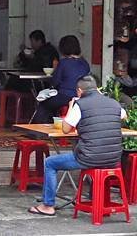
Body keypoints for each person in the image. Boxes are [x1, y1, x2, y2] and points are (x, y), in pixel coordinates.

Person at [28, 75, 125, 216]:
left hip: (89, 157)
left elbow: (66, 129)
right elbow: (123, 117)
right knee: (89, 155)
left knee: (50, 163)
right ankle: (98, 202)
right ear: (97, 88)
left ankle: (48, 206)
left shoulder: (81, 105)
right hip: (114, 159)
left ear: (79, 91)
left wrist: (71, 106)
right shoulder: (114, 103)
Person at [33, 35, 90, 123]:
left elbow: (55, 82)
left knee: (44, 104)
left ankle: (39, 129)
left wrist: (54, 71)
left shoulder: (64, 63)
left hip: (65, 96)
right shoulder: (85, 63)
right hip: (81, 97)